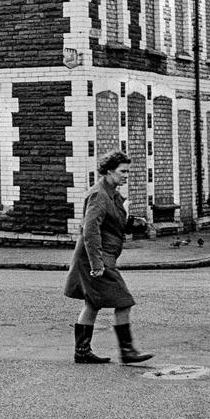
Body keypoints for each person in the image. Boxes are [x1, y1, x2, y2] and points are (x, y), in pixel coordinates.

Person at [63, 150, 153, 365]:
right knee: (124, 301)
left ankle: (82, 352)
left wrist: (132, 222)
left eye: (128, 171)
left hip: (101, 257)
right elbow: (90, 231)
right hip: (96, 258)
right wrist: (96, 264)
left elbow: (113, 222)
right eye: (123, 171)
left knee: (93, 303)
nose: (126, 175)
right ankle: (127, 350)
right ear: (109, 170)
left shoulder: (112, 194)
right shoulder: (99, 195)